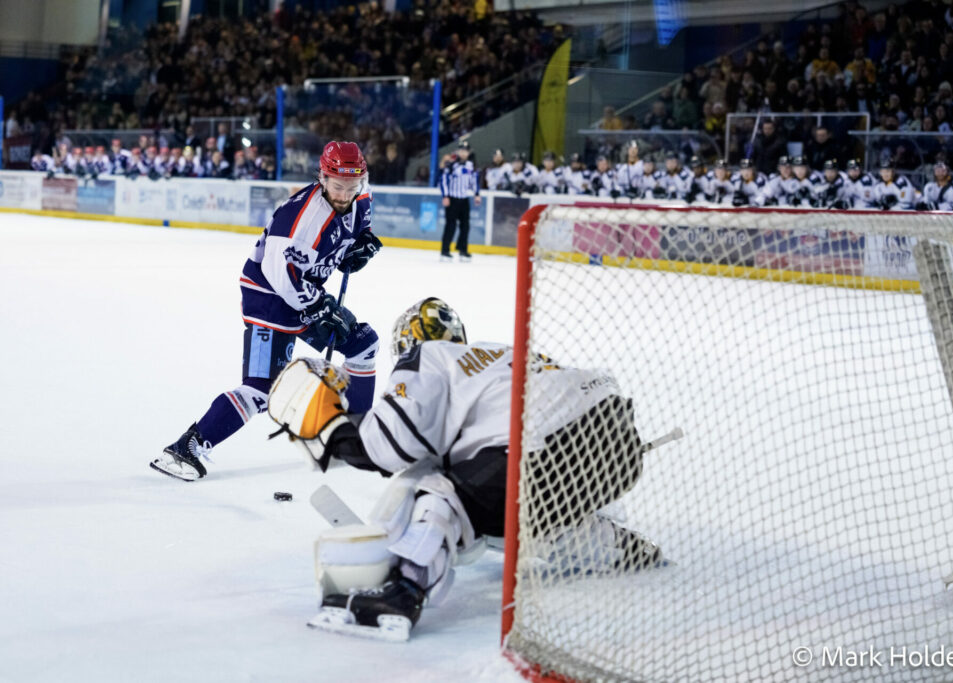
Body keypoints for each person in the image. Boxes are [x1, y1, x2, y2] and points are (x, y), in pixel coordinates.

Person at [266, 298, 662, 640]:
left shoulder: (428, 357)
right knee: (523, 516)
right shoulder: (497, 355)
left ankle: (402, 593)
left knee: (440, 491)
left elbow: (391, 443)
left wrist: (332, 430)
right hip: (616, 443)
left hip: (539, 450)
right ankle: (621, 545)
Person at [151, 141, 384, 482]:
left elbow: (357, 231)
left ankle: (356, 435)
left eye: (352, 186)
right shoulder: (301, 221)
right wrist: (319, 307)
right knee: (262, 389)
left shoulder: (359, 195)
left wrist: (361, 244)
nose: (345, 193)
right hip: (270, 299)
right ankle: (187, 446)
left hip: (305, 294)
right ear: (322, 177)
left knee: (364, 345)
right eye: (337, 186)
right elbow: (281, 276)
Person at [439, 140, 480, 263]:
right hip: (452, 199)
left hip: (464, 199)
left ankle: (463, 249)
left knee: (465, 226)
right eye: (461, 150)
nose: (463, 153)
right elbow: (443, 180)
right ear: (457, 151)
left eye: (465, 151)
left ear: (468, 152)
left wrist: (476, 194)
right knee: (450, 225)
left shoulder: (471, 166)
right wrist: (445, 196)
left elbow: (474, 180)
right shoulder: (451, 165)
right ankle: (445, 251)